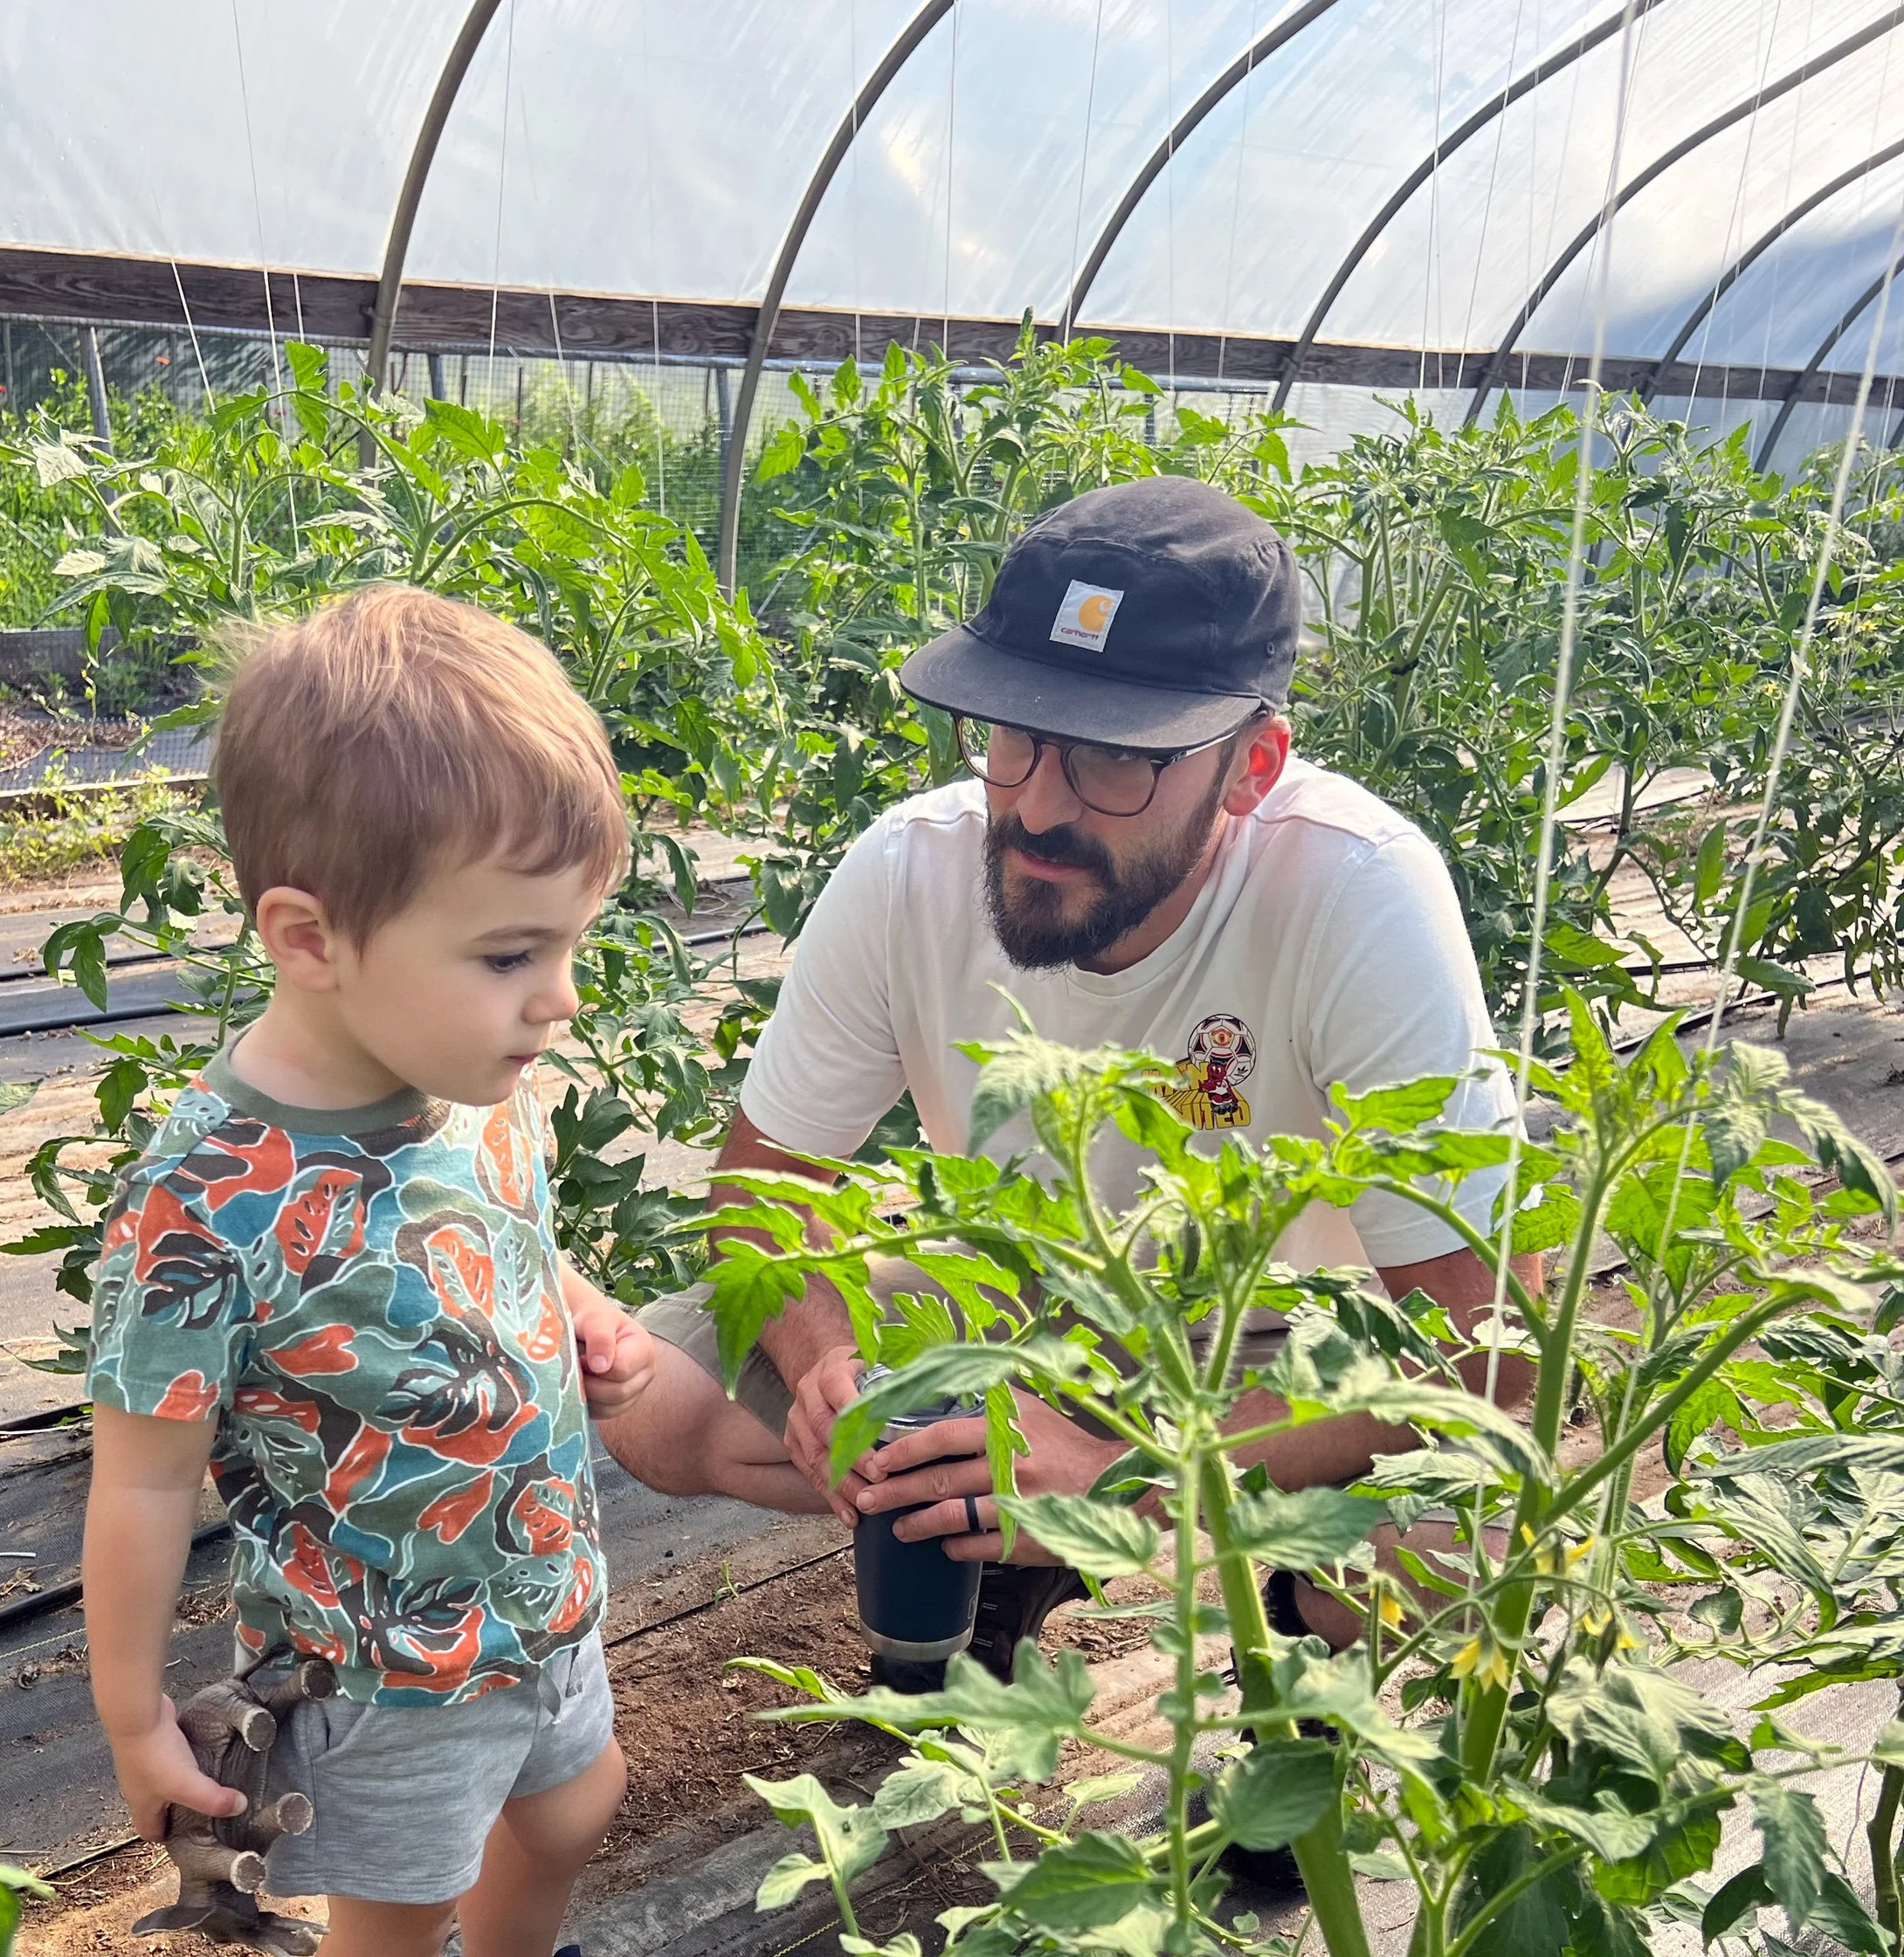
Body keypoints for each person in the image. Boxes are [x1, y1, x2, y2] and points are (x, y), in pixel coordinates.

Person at [602, 476, 1536, 1659]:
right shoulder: (912, 868)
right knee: (659, 1386)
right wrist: (830, 1360)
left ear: (1251, 767)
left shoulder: (1356, 890)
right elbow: (759, 1189)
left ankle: (1291, 1704)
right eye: (1015, 736)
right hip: (1024, 1305)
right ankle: (969, 1553)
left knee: (1451, 1547)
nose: (1037, 807)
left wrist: (1131, 1478)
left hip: (1287, 1337)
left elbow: (1484, 1349)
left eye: (1112, 761)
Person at [82, 585, 679, 1957]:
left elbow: (497, 1227)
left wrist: (571, 1302)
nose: (555, 997)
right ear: (309, 933)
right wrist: (134, 1715)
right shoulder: (208, 1202)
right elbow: (138, 1479)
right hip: (380, 1662)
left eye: (566, 945)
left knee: (575, 1807)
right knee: (389, 1917)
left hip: (538, 1590)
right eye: (510, 953)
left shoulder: (470, 1086)